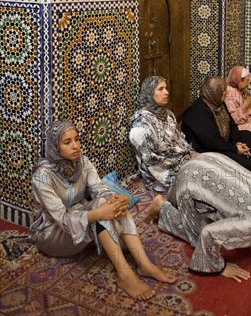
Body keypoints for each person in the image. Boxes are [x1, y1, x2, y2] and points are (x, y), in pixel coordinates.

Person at [30, 120, 176, 300]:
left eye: (76, 139)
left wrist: (116, 200)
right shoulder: (42, 176)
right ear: (55, 147)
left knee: (109, 202)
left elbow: (100, 190)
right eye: (67, 142)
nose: (75, 146)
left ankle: (144, 264)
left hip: (81, 217)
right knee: (101, 208)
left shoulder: (82, 162)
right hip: (53, 233)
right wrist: (98, 213)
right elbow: (63, 220)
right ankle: (125, 275)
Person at [145, 152, 251, 280]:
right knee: (197, 234)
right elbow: (209, 234)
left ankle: (176, 202)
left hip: (210, 160)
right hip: (191, 179)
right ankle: (162, 207)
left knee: (222, 213)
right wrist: (220, 267)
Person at [181, 76, 251, 194]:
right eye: (222, 92)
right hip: (204, 148)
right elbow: (211, 142)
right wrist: (235, 149)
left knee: (246, 135)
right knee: (227, 155)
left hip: (221, 140)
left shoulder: (218, 103)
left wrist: (236, 142)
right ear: (214, 93)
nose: (225, 94)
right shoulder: (198, 111)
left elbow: (232, 125)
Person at [129, 76, 195, 193]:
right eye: (160, 89)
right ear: (149, 93)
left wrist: (190, 154)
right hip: (161, 175)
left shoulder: (167, 114)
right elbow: (152, 161)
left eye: (166, 88)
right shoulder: (141, 125)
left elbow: (179, 140)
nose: (166, 92)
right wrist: (184, 164)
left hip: (182, 160)